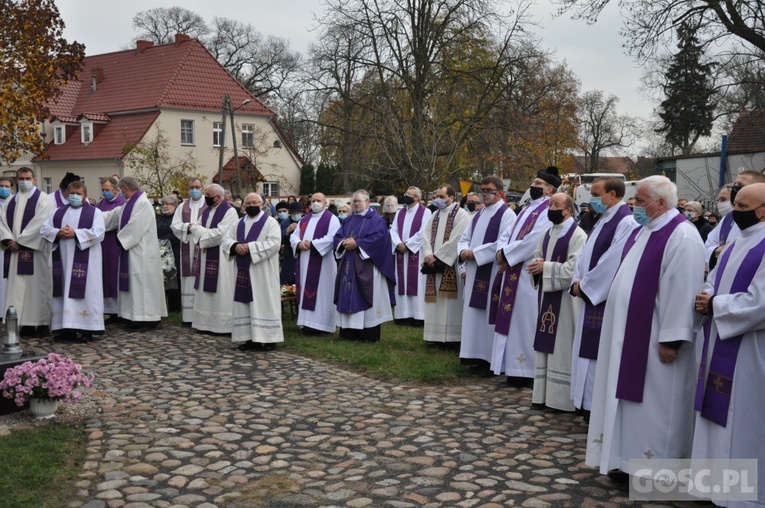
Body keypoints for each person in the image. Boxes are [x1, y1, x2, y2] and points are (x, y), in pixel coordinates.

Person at [585, 175, 705, 482]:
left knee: (656, 408)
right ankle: (625, 461)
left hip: (656, 344)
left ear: (661, 203)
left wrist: (673, 340)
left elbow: (683, 292)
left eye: (640, 201)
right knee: (628, 406)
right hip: (629, 340)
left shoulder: (682, 237)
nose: (634, 205)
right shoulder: (647, 230)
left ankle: (654, 474)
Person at [692, 183, 765, 507]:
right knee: (714, 415)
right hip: (718, 339)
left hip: (750, 350)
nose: (736, 212)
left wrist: (716, 304)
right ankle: (710, 485)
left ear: (762, 210)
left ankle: (740, 495)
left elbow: (760, 303)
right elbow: (713, 278)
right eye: (734, 205)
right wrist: (706, 295)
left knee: (742, 418)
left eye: (743, 206)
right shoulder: (736, 241)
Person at [570, 177, 637, 420]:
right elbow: (585, 254)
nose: (592, 199)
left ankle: (593, 406)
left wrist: (587, 287)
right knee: (586, 351)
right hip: (589, 293)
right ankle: (583, 402)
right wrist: (577, 280)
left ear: (612, 194)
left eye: (596, 194)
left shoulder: (626, 221)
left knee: (598, 353)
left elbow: (613, 259)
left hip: (603, 298)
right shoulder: (604, 218)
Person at [491, 166, 559, 386]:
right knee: (512, 321)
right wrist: (502, 252)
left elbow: (534, 240)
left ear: (550, 189)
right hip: (513, 268)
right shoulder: (527, 208)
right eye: (534, 182)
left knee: (525, 321)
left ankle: (526, 370)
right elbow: (508, 234)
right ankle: (511, 367)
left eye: (539, 184)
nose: (533, 186)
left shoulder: (548, 210)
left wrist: (507, 255)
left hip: (527, 272)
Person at [527, 193, 586, 411]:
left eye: (556, 205)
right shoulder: (546, 233)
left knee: (562, 347)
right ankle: (542, 396)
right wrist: (536, 266)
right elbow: (537, 256)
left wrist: (545, 268)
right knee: (545, 346)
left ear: (568, 210)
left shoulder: (578, 235)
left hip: (565, 302)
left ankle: (561, 400)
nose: (551, 208)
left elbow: (574, 270)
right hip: (546, 297)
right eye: (550, 204)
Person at [458, 176, 515, 369]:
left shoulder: (507, 215)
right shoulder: (479, 214)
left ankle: (487, 357)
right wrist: (463, 252)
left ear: (500, 192)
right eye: (482, 190)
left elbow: (503, 244)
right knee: (472, 314)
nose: (484, 193)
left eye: (488, 190)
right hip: (473, 270)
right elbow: (464, 237)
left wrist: (475, 253)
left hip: (491, 271)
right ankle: (471, 354)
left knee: (487, 313)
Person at [41, 181, 105, 341]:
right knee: (63, 291)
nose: (75, 196)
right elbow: (44, 229)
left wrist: (75, 233)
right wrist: (58, 233)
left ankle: (87, 329)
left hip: (87, 262)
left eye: (78, 194)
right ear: (67, 194)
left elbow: (99, 233)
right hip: (62, 261)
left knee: (88, 292)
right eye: (72, 193)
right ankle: (66, 329)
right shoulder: (58, 212)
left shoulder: (95, 212)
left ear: (85, 195)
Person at [101, 177, 167, 329]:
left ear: (124, 188)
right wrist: (92, 215)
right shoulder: (129, 204)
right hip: (132, 252)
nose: (121, 193)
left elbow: (136, 226)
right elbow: (113, 216)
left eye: (121, 190)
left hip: (142, 253)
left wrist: (121, 239)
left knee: (142, 285)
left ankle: (147, 319)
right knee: (134, 285)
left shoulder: (142, 204)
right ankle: (134, 316)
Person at [222, 193, 283, 351]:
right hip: (243, 270)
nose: (251, 206)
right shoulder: (237, 223)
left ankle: (269, 339)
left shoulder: (270, 223)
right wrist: (235, 246)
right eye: (247, 203)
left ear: (262, 204)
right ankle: (248, 338)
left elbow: (274, 243)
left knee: (265, 302)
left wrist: (250, 247)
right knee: (245, 304)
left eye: (254, 203)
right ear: (243, 206)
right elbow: (226, 240)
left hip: (262, 272)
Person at [333, 189, 396, 342]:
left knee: (367, 297)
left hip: (367, 266)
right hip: (349, 265)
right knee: (348, 293)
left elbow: (379, 240)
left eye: (359, 201)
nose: (356, 204)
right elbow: (337, 236)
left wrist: (358, 244)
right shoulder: (349, 219)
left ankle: (369, 334)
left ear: (367, 202)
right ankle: (349, 333)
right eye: (354, 201)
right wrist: (343, 243)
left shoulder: (376, 220)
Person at [0, 167, 56, 337]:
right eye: (21, 178)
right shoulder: (11, 200)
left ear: (34, 180)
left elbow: (41, 222)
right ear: (16, 180)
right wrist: (8, 239)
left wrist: (22, 241)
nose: (24, 181)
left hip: (36, 252)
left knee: (37, 287)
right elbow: (2, 220)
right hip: (15, 251)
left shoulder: (44, 199)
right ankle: (24, 322)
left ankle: (41, 323)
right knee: (17, 289)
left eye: (28, 178)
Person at [422, 184, 470, 344]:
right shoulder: (434, 215)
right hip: (433, 261)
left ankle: (451, 338)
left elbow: (457, 237)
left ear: (451, 197)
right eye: (437, 196)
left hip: (450, 264)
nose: (438, 200)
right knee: (435, 301)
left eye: (442, 197)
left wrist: (437, 255)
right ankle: (433, 336)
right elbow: (425, 235)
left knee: (449, 304)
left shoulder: (461, 215)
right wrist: (428, 254)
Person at [189, 183, 238, 334]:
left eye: (208, 196)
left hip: (221, 258)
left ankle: (221, 326)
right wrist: (202, 232)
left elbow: (221, 234)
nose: (206, 198)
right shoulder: (206, 211)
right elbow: (194, 228)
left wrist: (201, 233)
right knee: (204, 287)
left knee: (221, 289)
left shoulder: (230, 212)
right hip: (205, 256)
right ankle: (203, 324)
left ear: (217, 197)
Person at [290, 192, 341, 335]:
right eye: (313, 201)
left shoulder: (332, 219)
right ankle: (305, 323)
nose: (315, 203)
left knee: (323, 292)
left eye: (319, 200)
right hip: (305, 261)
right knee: (305, 288)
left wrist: (312, 244)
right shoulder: (304, 220)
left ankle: (323, 325)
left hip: (323, 263)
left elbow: (333, 238)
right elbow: (294, 236)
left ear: (325, 203)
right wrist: (299, 244)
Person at [705, 171, 765, 271]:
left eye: (740, 185)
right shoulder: (728, 218)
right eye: (734, 185)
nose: (735, 189)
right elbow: (709, 243)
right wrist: (716, 252)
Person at [390, 186, 431, 327]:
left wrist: (408, 245)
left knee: (417, 283)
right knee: (402, 281)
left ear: (417, 198)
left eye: (410, 194)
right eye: (406, 193)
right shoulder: (399, 212)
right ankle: (402, 314)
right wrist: (398, 244)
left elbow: (424, 232)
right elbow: (393, 230)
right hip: (402, 253)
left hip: (416, 252)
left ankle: (418, 315)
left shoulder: (425, 212)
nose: (406, 195)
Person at [170, 178, 206, 324]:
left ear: (202, 188)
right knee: (188, 279)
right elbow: (175, 225)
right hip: (187, 243)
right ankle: (189, 317)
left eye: (197, 187)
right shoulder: (182, 206)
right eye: (191, 187)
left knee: (201, 276)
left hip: (203, 245)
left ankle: (201, 314)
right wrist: (187, 227)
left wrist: (199, 230)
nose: (194, 189)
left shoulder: (207, 205)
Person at [96, 176, 125, 320]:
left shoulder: (122, 203)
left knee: (114, 273)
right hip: (102, 244)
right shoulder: (100, 204)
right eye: (102, 190)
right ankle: (107, 309)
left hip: (115, 244)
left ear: (116, 189)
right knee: (104, 274)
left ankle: (118, 311)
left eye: (107, 189)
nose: (104, 192)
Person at [156, 195, 181, 313]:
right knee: (163, 278)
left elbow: (177, 234)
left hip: (173, 252)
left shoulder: (177, 218)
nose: (165, 206)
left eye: (168, 204)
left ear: (175, 206)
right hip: (160, 252)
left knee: (173, 277)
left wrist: (163, 240)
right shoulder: (159, 218)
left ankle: (175, 307)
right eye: (163, 204)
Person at [280, 201, 303, 285]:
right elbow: (279, 237)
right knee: (287, 279)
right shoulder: (284, 223)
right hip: (289, 254)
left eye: (298, 213)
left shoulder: (305, 221)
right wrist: (287, 230)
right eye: (294, 213)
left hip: (301, 253)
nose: (296, 215)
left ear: (301, 213)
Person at [0, 177, 13, 316]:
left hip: (11, 246)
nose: (3, 188)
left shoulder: (15, 202)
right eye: (1, 186)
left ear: (11, 188)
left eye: (6, 186)